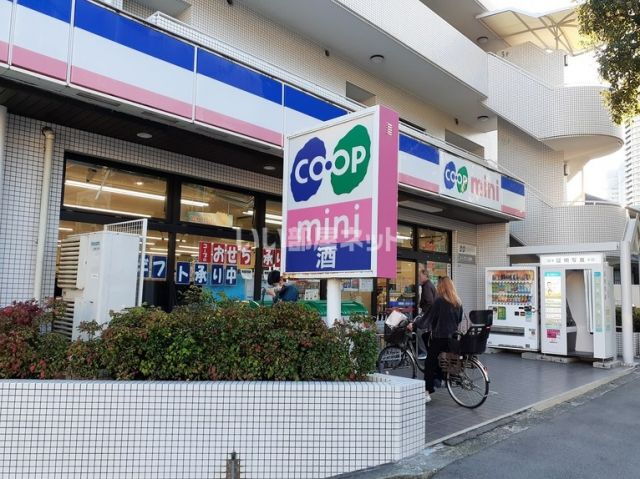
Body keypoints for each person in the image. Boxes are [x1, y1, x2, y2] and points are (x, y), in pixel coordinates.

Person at [411, 276, 463, 404]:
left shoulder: (439, 301)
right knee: (441, 359)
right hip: (453, 338)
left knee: (430, 363)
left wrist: (414, 324)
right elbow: (459, 319)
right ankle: (439, 379)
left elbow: (427, 318)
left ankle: (427, 392)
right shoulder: (457, 302)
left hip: (440, 337)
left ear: (441, 287)